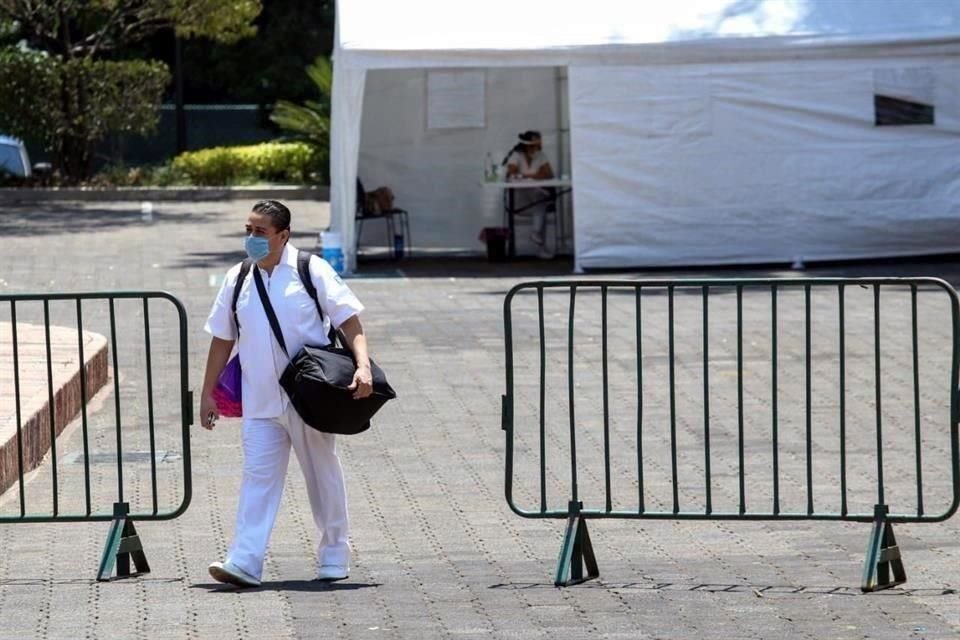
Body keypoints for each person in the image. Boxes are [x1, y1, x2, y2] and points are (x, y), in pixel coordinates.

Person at [199, 199, 373, 588]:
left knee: (321, 475)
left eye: (260, 232)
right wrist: (207, 393)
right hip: (260, 401)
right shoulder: (238, 277)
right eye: (248, 230)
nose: (252, 238)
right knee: (257, 478)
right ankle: (244, 560)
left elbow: (348, 319)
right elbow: (222, 339)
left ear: (283, 235)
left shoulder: (311, 270)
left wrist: (362, 365)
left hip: (309, 396)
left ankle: (333, 554)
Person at [504, 130, 555, 259]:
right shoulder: (516, 155)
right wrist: (534, 176)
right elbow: (511, 174)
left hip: (535, 196)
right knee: (541, 201)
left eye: (538, 145)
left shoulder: (540, 155)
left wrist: (525, 176)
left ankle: (537, 236)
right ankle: (537, 237)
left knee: (539, 201)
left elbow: (548, 174)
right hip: (519, 199)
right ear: (526, 145)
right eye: (533, 145)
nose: (536, 148)